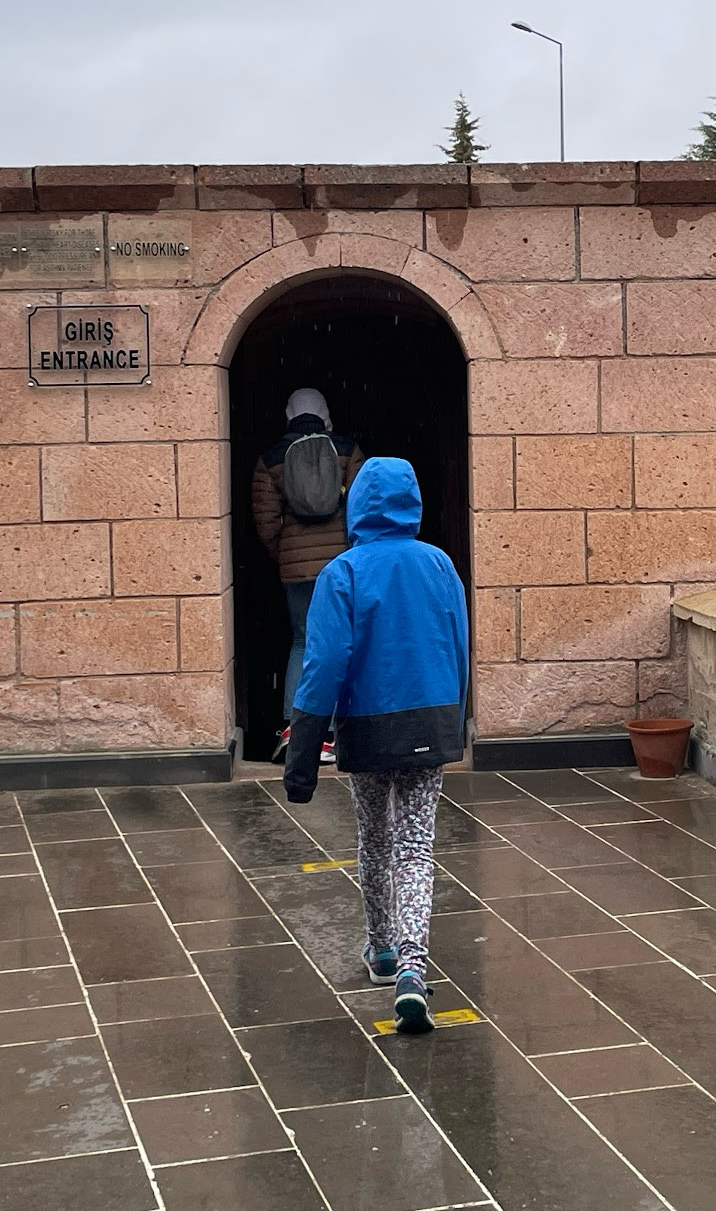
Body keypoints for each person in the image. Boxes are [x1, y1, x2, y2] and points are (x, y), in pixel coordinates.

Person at [283, 456, 469, 1034]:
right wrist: (453, 715)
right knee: (417, 844)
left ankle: (382, 950)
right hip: (429, 719)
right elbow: (457, 642)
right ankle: (415, 969)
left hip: (367, 722)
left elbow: (323, 665)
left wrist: (304, 753)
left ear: (356, 503)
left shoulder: (344, 572)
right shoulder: (438, 563)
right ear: (411, 502)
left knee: (375, 840)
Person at [251, 388, 365, 760]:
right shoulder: (347, 450)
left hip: (295, 571)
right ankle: (334, 733)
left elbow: (266, 520)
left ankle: (293, 728)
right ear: (326, 412)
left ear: (289, 412)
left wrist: (285, 555)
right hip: (341, 564)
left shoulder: (271, 457)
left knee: (302, 643)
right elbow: (364, 506)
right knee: (343, 642)